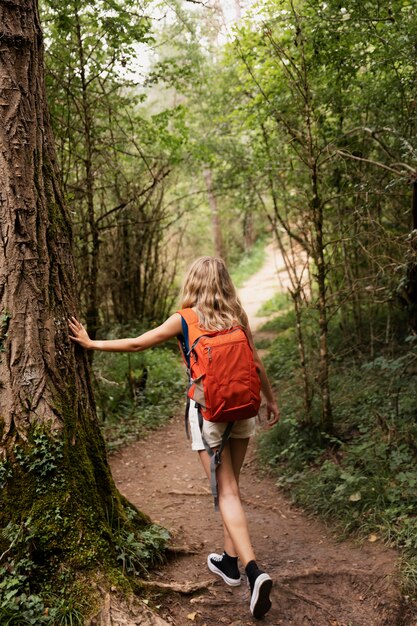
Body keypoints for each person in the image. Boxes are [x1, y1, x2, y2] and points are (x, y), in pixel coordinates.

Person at [68, 256, 280, 619]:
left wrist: (91, 344)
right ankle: (229, 563)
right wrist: (270, 399)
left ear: (192, 283)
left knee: (225, 491)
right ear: (225, 283)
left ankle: (252, 570)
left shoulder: (185, 319)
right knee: (233, 488)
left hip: (208, 413)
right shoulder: (237, 317)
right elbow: (256, 364)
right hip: (244, 410)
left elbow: (138, 343)